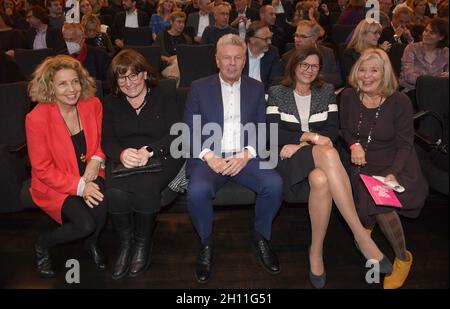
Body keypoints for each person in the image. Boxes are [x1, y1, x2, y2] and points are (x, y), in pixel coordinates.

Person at [266, 46, 392, 289]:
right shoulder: (277, 92)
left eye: (314, 66)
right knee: (327, 151)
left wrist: (300, 142)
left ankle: (316, 251)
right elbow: (274, 134)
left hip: (314, 157)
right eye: (304, 64)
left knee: (321, 179)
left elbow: (332, 132)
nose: (309, 70)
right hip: (285, 159)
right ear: (294, 65)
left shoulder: (325, 92)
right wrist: (311, 139)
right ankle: (360, 235)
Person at [184, 34, 283, 284]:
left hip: (244, 155)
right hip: (210, 156)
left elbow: (262, 127)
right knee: (197, 191)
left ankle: (261, 237)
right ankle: (206, 243)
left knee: (274, 184)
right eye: (226, 58)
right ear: (217, 60)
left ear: (244, 61)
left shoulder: (256, 87)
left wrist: (247, 153)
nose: (232, 63)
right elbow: (189, 129)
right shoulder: (199, 86)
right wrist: (209, 157)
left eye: (237, 58)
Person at [340, 48, 428, 289]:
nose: (366, 76)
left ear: (385, 74)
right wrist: (354, 144)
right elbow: (345, 129)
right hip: (363, 162)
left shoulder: (399, 101)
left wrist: (393, 172)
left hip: (397, 162)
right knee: (370, 198)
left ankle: (402, 259)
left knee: (382, 204)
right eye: (362, 70)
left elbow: (405, 143)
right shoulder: (348, 95)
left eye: (374, 71)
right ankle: (365, 226)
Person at [102, 49, 184, 279]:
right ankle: (126, 244)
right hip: (125, 158)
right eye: (122, 77)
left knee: (146, 187)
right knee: (115, 192)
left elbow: (177, 134)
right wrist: (121, 153)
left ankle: (141, 244)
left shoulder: (164, 93)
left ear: (145, 74)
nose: (129, 83)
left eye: (134, 75)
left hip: (161, 155)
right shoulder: (110, 101)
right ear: (115, 80)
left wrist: (149, 150)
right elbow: (106, 139)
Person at [26, 55, 107, 278]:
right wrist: (80, 187)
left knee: (101, 212)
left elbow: (101, 141)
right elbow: (42, 169)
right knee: (85, 224)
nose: (71, 89)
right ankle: (43, 244)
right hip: (55, 182)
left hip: (89, 171)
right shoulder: (37, 119)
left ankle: (90, 245)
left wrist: (97, 159)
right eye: (62, 83)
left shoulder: (92, 104)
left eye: (75, 81)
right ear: (49, 87)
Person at [399, 18, 449, 98]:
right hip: (413, 91)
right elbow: (408, 76)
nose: (426, 34)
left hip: (437, 91)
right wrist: (435, 81)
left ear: (441, 37)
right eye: (426, 30)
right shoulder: (411, 48)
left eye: (431, 33)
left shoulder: (446, 52)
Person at [243, 21, 282, 91]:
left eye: (270, 38)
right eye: (266, 39)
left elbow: (274, 82)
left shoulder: (272, 52)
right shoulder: (239, 53)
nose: (270, 42)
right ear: (252, 40)